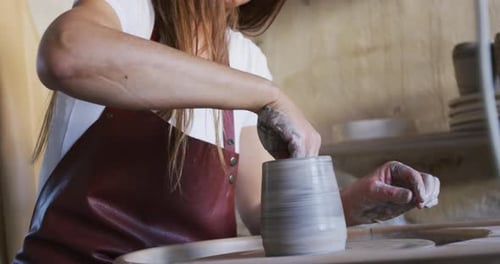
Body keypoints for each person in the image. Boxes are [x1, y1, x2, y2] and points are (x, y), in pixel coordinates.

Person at [14, 0, 440, 263]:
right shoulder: (131, 10)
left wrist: (352, 204)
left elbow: (263, 213)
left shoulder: (246, 58)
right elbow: (65, 55)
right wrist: (264, 95)